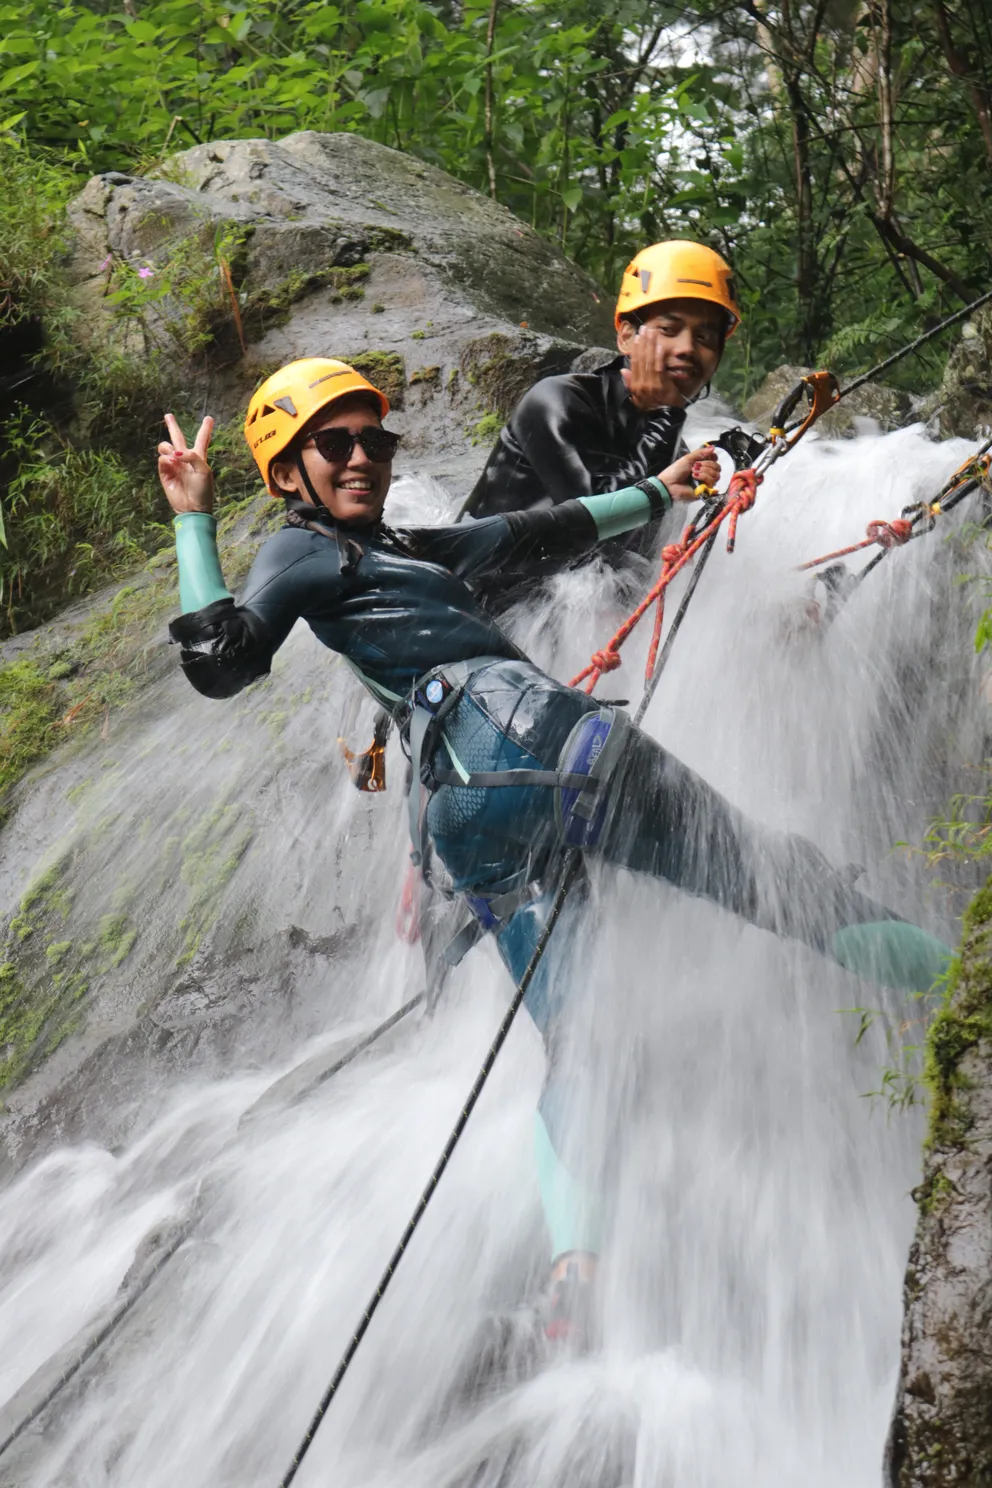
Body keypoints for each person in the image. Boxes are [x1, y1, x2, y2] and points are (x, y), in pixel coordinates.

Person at [159, 356, 951, 1360]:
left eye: (375, 440)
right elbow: (222, 660)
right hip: (544, 741)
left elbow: (537, 529)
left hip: (468, 817)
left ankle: (575, 1274)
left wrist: (661, 491)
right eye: (334, 443)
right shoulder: (301, 556)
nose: (362, 457)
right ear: (285, 471)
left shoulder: (403, 548)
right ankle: (963, 992)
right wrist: (191, 514)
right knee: (781, 885)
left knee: (575, 1037)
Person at [458, 239, 737, 608]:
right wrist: (667, 412)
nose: (687, 348)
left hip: (561, 628)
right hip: (475, 609)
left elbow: (634, 572)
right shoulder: (556, 403)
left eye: (703, 337)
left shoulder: (674, 451)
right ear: (625, 335)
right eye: (669, 330)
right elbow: (601, 527)